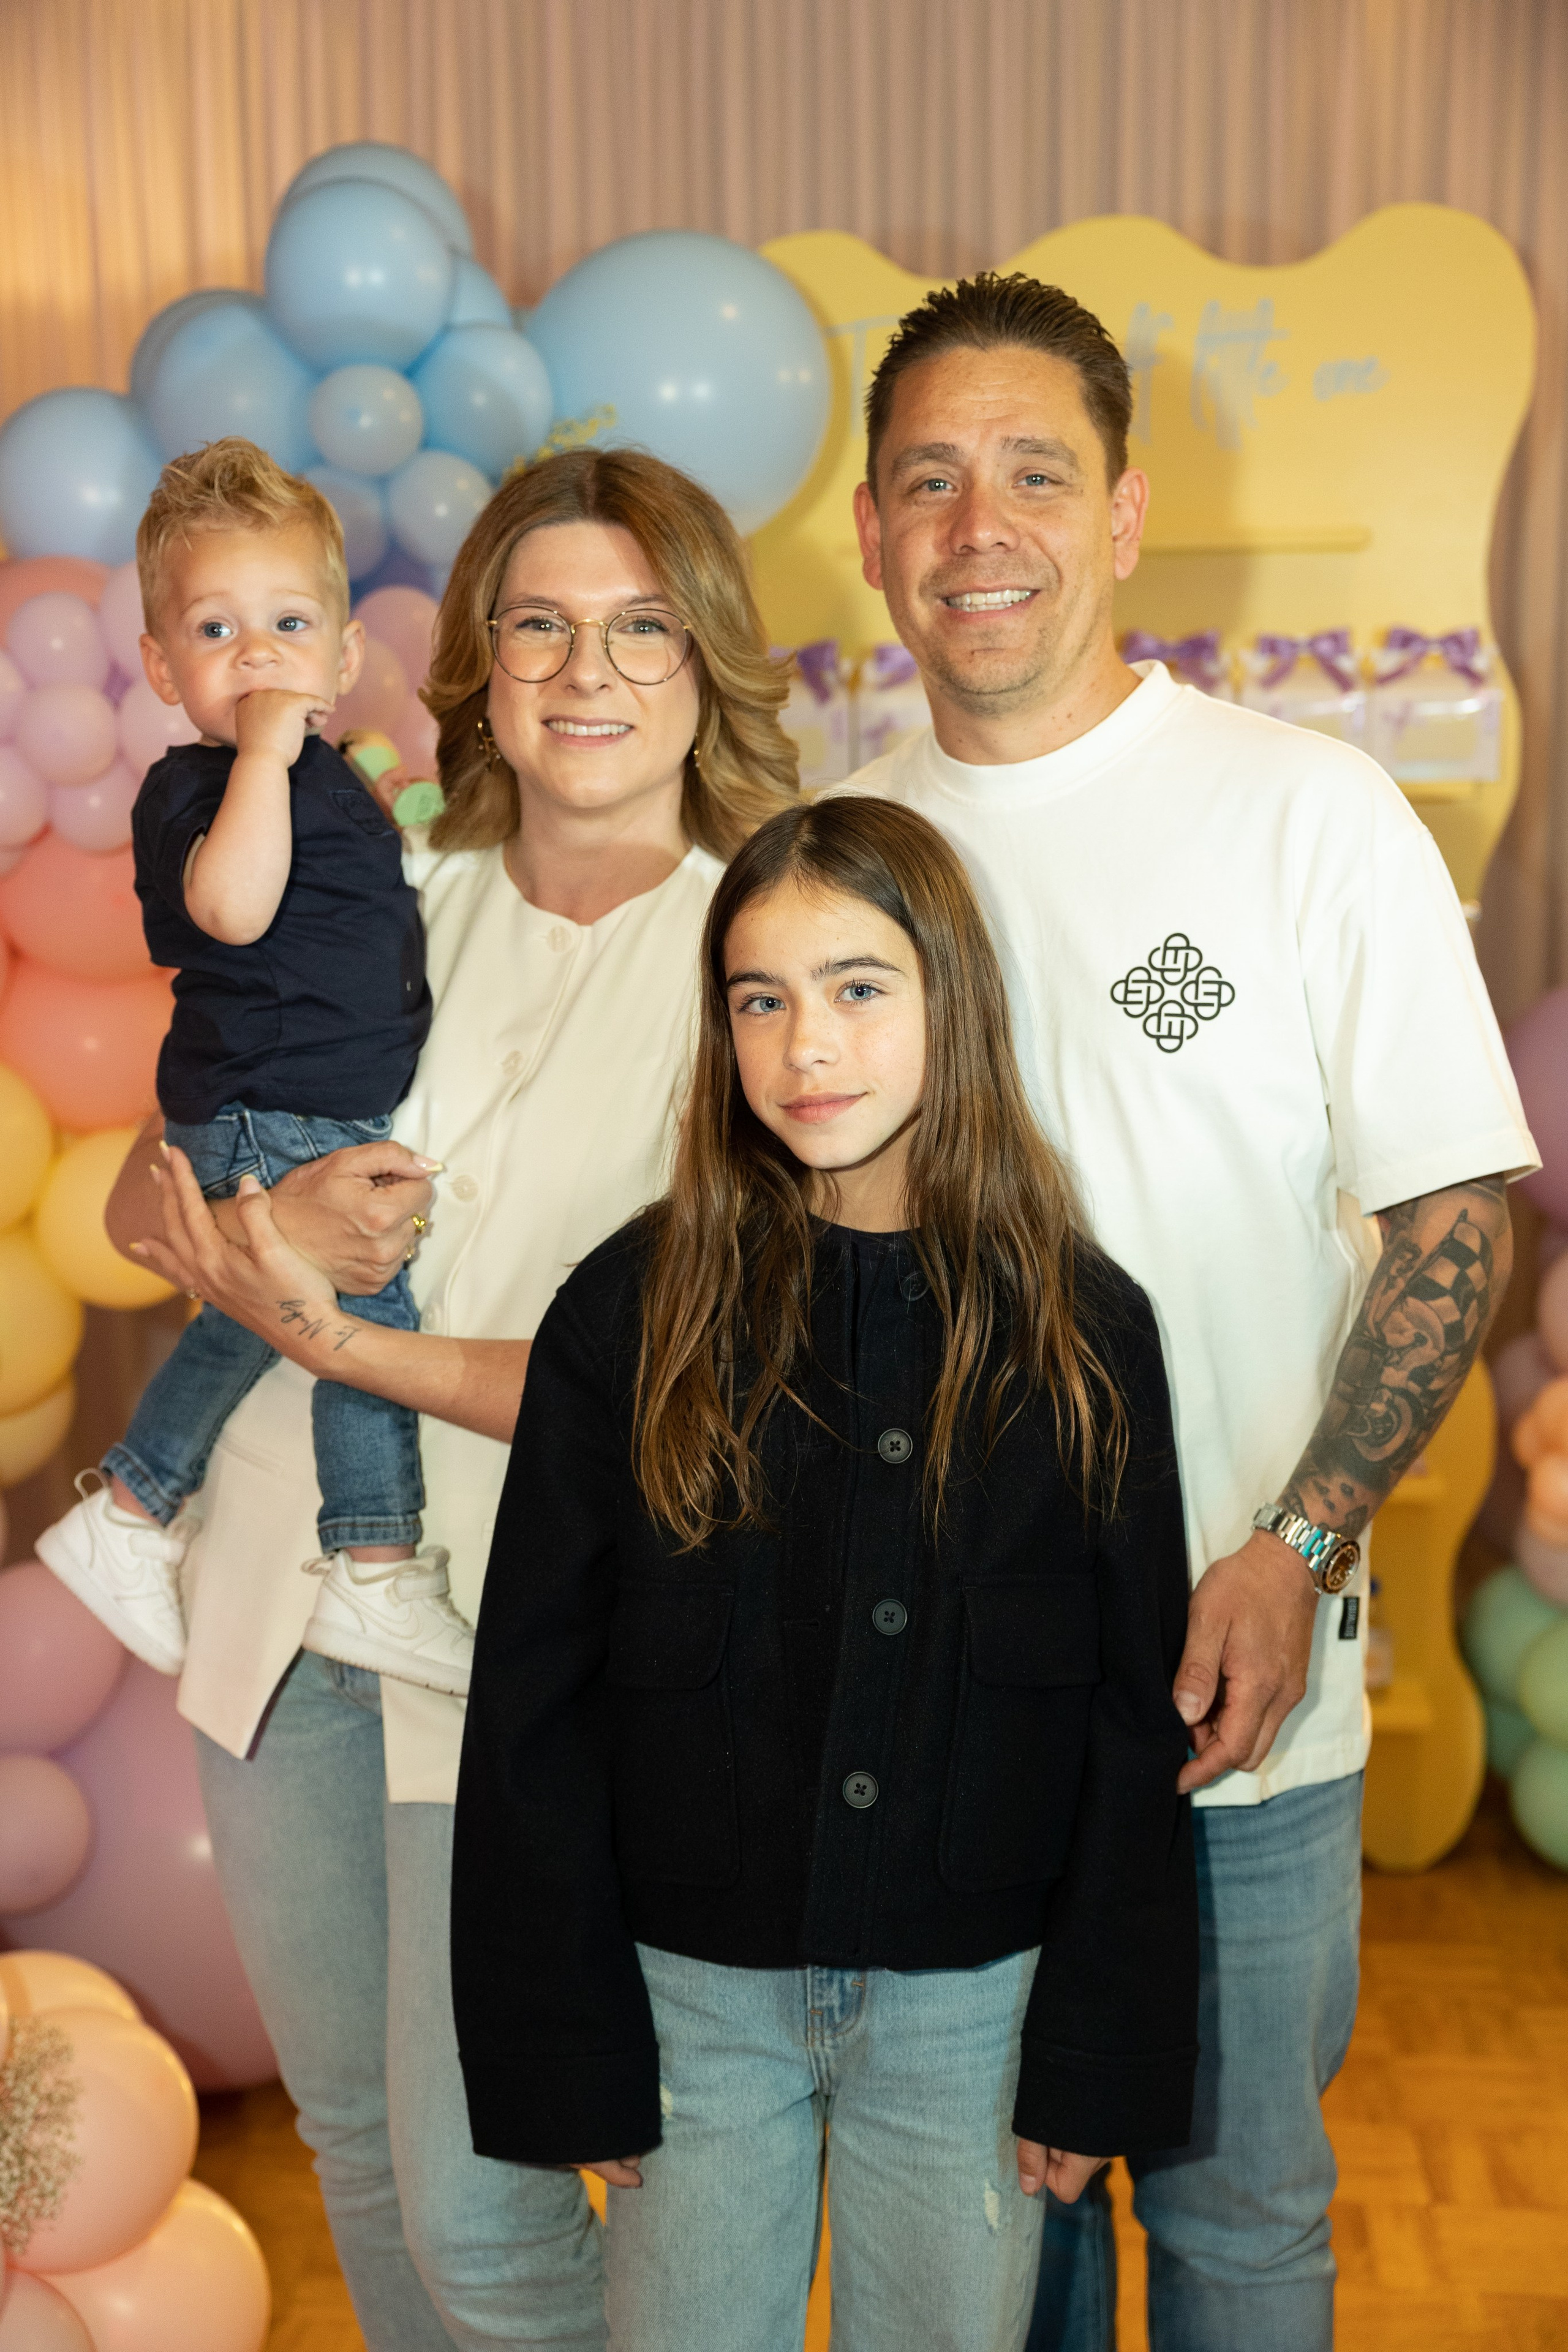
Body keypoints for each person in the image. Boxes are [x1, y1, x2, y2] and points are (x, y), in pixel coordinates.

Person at [832, 272, 1535, 2352]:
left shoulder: (1305, 814)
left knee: (1234, 2232)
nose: (980, 524)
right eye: (929, 479)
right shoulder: (831, 856)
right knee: (991, 2247)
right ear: (873, 531)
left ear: (1126, 512)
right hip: (943, 1721)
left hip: (1237, 1698)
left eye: (1034, 471)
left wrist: (1299, 1549)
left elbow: (1458, 1221)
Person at [113, 445, 798, 2352]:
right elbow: (145, 1180)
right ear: (479, 661)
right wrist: (248, 1216)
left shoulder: (774, 953)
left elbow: (707, 1380)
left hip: (514, 1636)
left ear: (709, 654)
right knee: (353, 2142)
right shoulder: (388, 881)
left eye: (642, 623)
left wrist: (336, 1328)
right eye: (542, 623)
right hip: (273, 1597)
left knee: (490, 2216)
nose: (589, 670)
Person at [451, 795, 1200, 2352]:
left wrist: (1089, 2051)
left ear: (952, 1002)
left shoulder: (1084, 1334)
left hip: (967, 2016)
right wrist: (568, 2042)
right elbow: (529, 1701)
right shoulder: (627, 1312)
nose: (807, 1048)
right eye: (759, 999)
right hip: (692, 2011)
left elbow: (1132, 1724)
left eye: (859, 989)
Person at [39, 438, 474, 1691]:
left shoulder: (329, 775)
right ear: (162, 669)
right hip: (271, 1109)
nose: (258, 657)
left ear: (343, 661)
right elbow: (232, 910)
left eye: (288, 624)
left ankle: (127, 1513)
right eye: (216, 631)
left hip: (308, 1102)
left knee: (247, 1326)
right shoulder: (198, 789)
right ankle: (376, 1564)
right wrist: (271, 765)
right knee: (353, 1311)